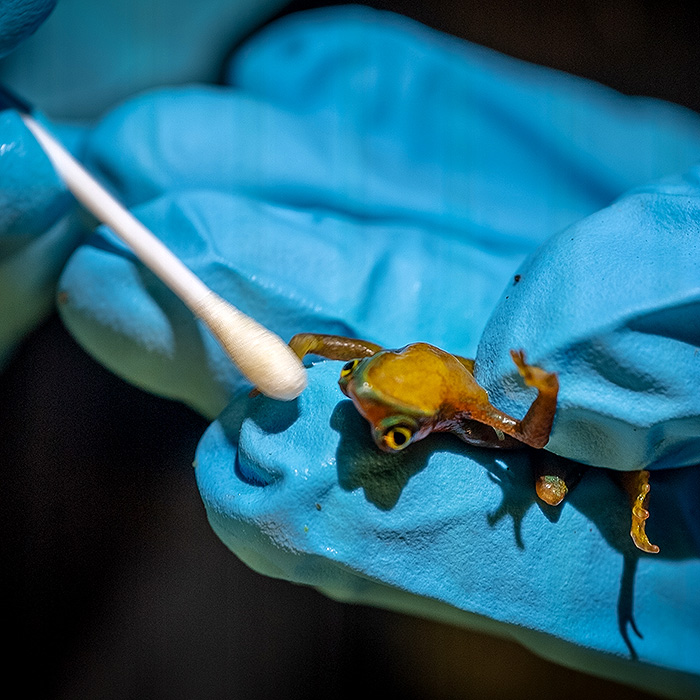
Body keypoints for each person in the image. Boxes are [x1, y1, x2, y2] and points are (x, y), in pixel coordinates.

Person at [2, 2, 699, 697]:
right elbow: (330, 347)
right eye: (359, 395)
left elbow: (534, 436)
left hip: (529, 429)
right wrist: (317, 354)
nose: (362, 424)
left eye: (392, 433)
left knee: (554, 484)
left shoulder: (485, 415)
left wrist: (545, 393)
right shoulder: (385, 370)